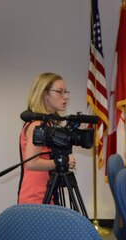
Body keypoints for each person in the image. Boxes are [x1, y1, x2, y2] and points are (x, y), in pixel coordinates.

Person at [18, 72, 75, 204]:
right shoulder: (38, 125)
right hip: (36, 196)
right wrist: (61, 162)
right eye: (59, 92)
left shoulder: (47, 123)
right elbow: (31, 163)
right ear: (44, 94)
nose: (66, 97)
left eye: (66, 92)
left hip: (47, 191)